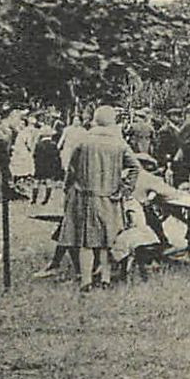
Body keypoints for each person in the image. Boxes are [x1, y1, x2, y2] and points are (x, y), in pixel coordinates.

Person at [55, 105, 138, 293]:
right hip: (110, 197)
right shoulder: (120, 144)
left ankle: (86, 281)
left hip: (85, 197)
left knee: (86, 241)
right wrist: (125, 189)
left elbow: (71, 169)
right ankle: (106, 278)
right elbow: (135, 167)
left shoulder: (83, 142)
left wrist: (68, 188)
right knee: (107, 240)